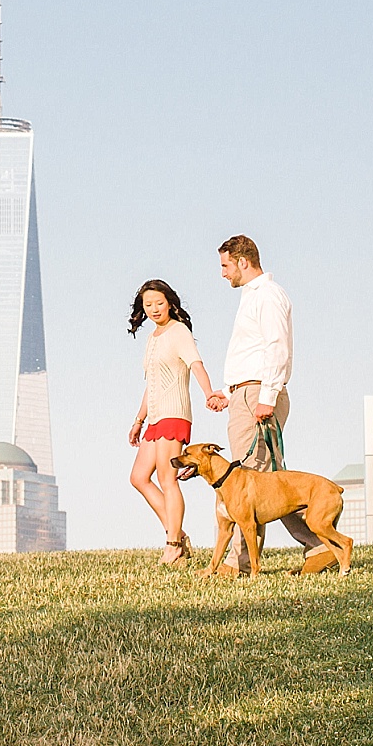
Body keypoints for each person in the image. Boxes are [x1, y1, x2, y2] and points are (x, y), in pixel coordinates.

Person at [205, 235, 336, 576]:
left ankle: (240, 563)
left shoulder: (269, 296)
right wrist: (227, 391)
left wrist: (266, 398)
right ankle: (318, 546)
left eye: (224, 265)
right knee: (268, 481)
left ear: (242, 262)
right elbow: (251, 354)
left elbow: (277, 348)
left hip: (258, 396)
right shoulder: (252, 297)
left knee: (247, 481)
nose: (222, 274)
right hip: (245, 393)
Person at [128, 279, 222, 565]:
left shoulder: (179, 331)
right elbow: (152, 384)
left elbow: (196, 364)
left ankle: (173, 544)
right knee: (139, 477)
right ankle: (178, 535)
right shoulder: (153, 338)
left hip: (174, 413)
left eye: (159, 302)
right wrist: (138, 420)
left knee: (167, 479)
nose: (154, 309)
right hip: (155, 417)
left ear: (169, 302)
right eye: (148, 305)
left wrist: (209, 393)